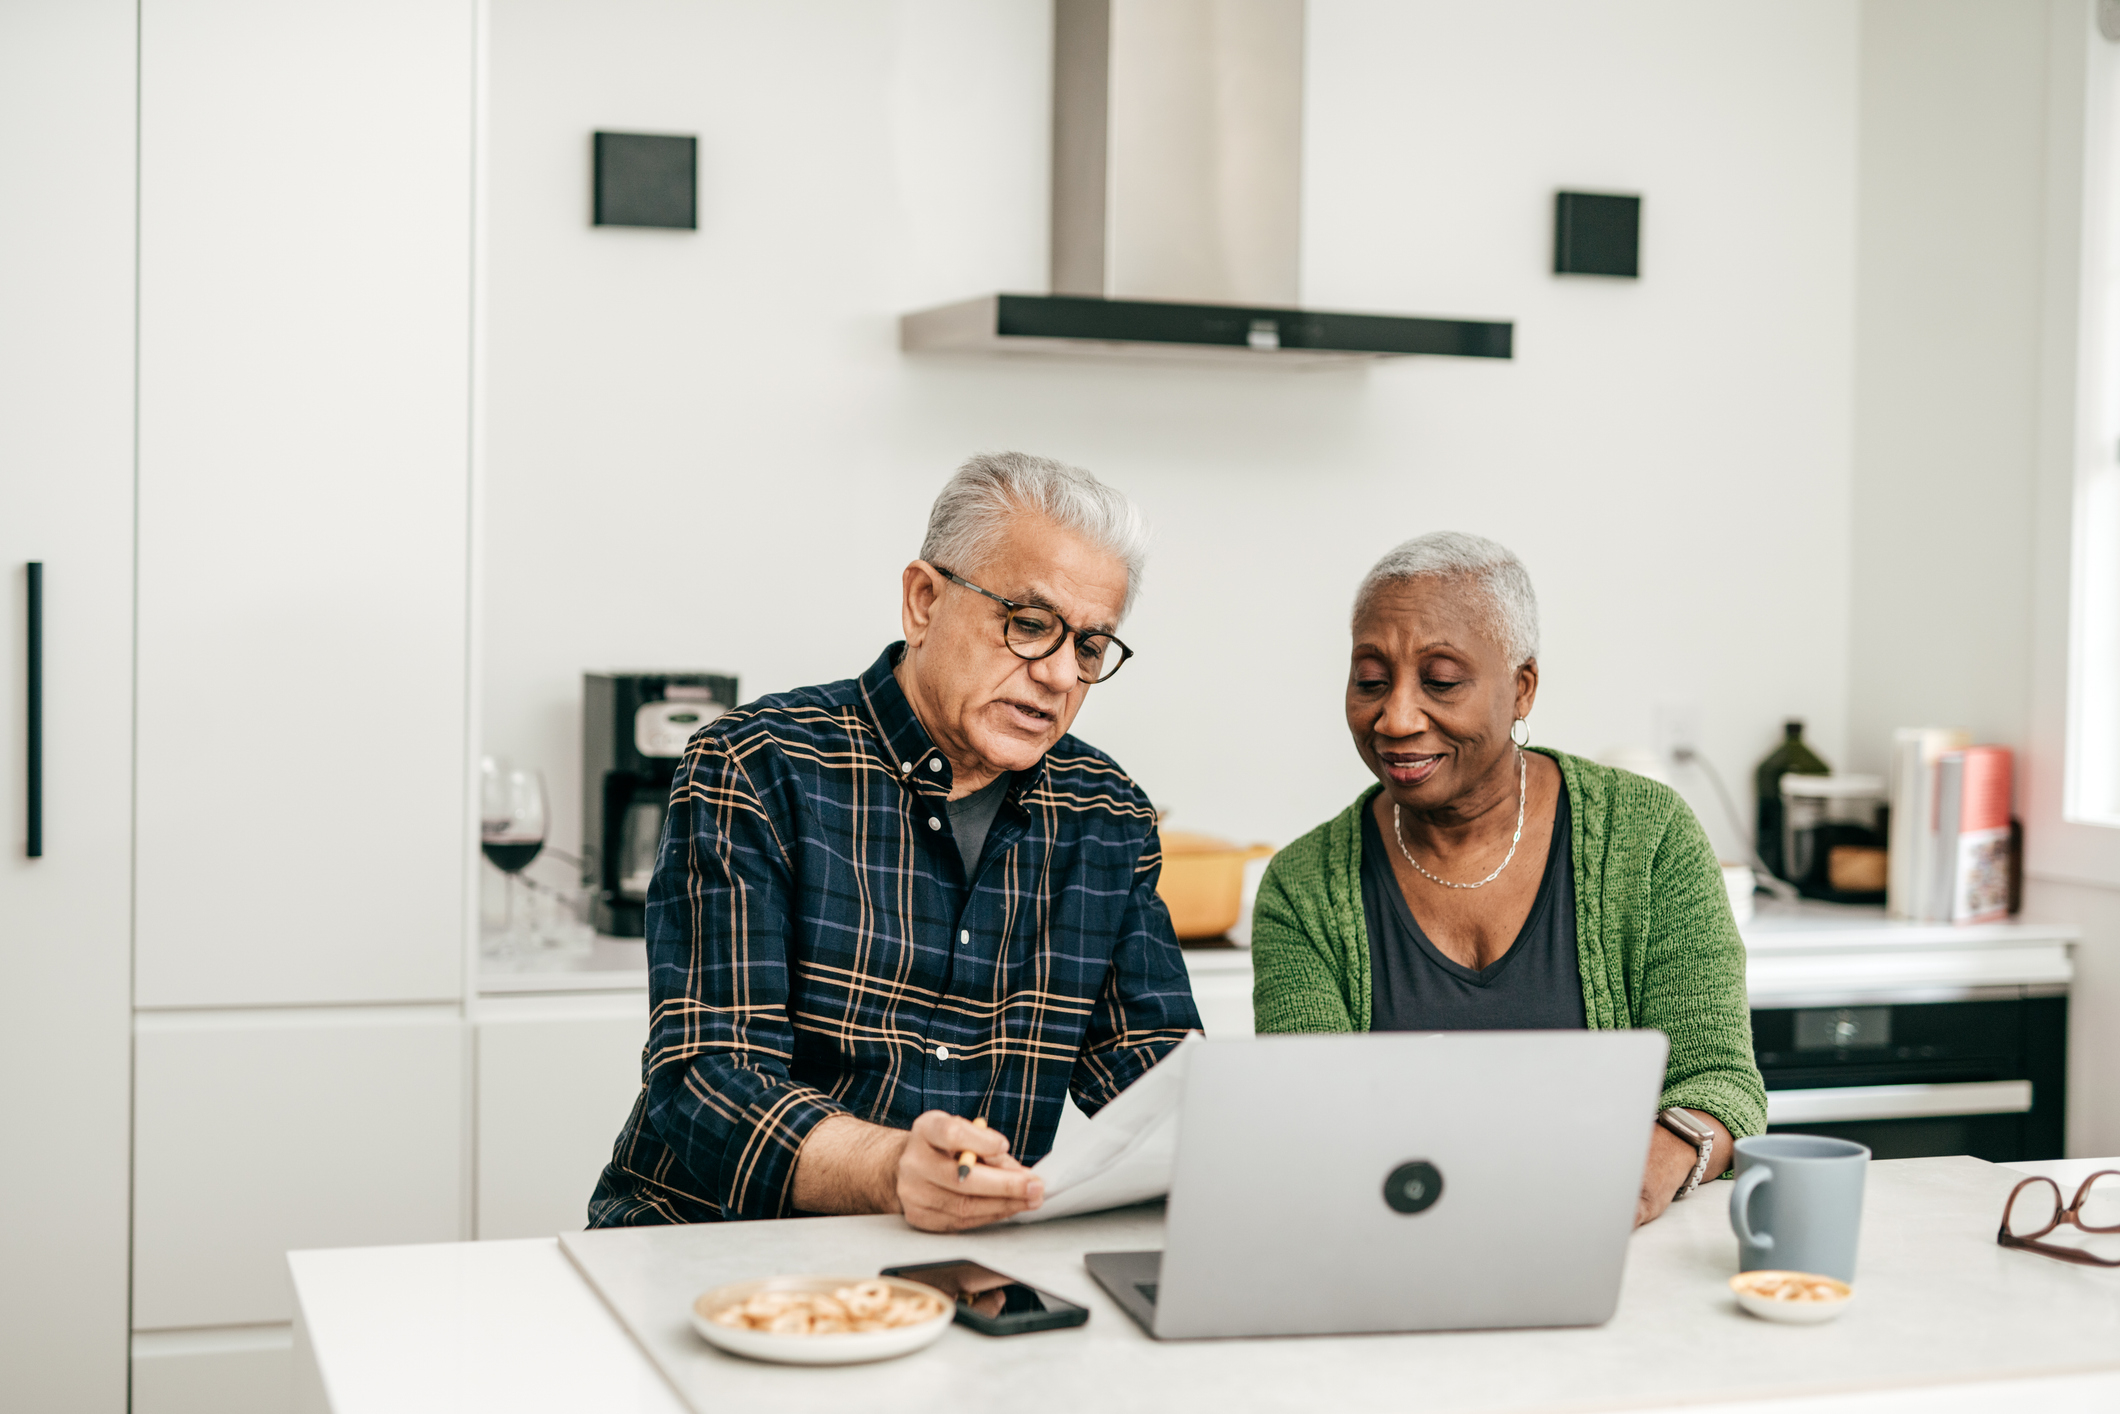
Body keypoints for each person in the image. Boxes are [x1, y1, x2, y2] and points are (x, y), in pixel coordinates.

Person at [589, 453, 1201, 1233]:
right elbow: (709, 1081)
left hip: (960, 1260)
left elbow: (1160, 1090)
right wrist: (894, 1170)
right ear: (923, 602)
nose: (1058, 675)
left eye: (1089, 646)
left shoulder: (1107, 816)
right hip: (707, 1243)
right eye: (1030, 625)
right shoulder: (757, 766)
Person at [1250, 531, 1766, 1227]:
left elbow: (1719, 1080)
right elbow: (1310, 1120)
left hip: (1615, 1250)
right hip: (1397, 1249)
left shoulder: (1649, 837)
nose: (1395, 718)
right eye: (1370, 681)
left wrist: (1657, 1161)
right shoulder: (1304, 887)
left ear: (1520, 688)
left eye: (1442, 681)